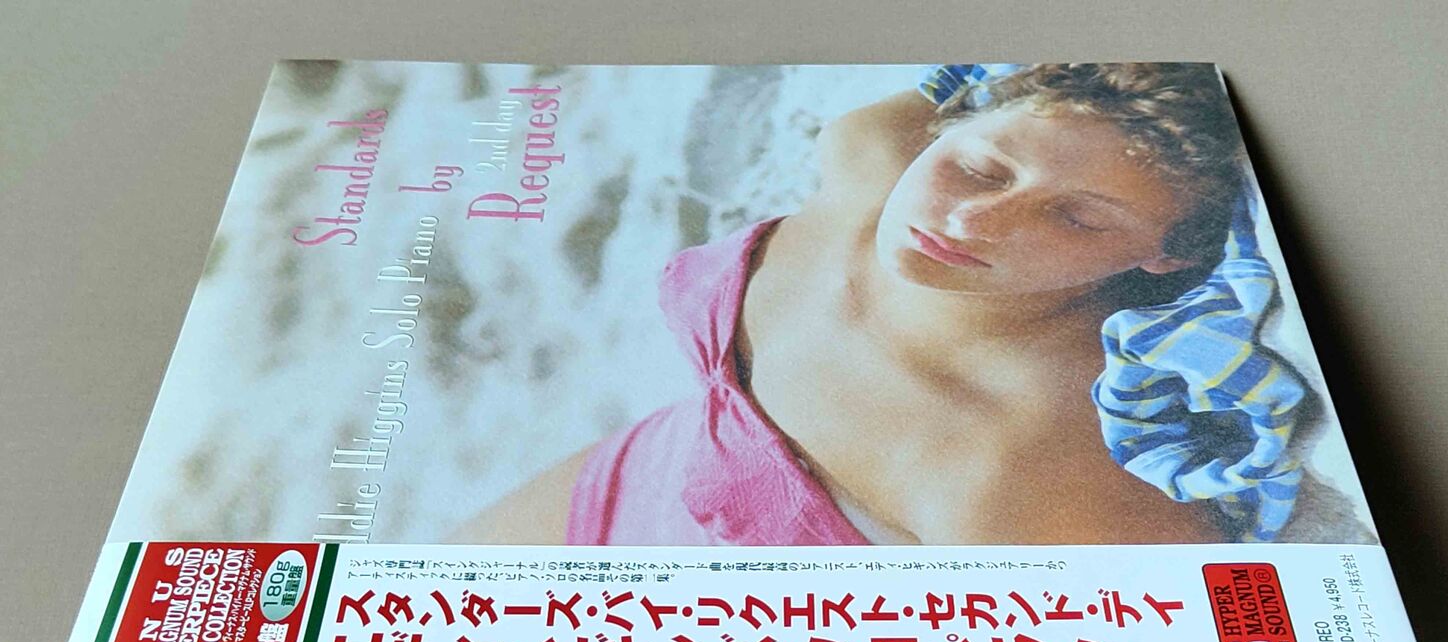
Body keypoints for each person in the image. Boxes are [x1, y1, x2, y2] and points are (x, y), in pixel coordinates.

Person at [460, 63, 1299, 547]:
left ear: (1169, 253)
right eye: (983, 168)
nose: (972, 220)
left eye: (1076, 218)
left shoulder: (1029, 458)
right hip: (627, 482)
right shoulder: (871, 155)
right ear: (951, 126)